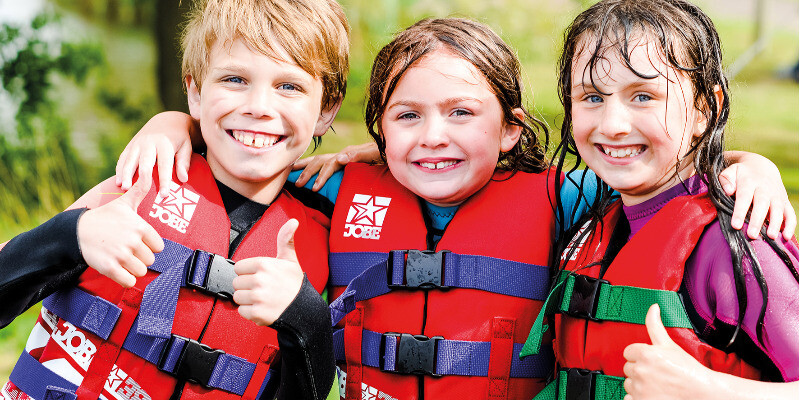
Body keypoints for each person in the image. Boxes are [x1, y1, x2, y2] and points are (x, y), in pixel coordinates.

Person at [114, 17, 794, 400]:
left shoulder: (570, 199)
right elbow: (248, 157)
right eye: (407, 115)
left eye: (462, 113)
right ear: (379, 130)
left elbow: (657, 178)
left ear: (509, 130)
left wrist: (750, 165)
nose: (433, 136)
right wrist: (176, 124)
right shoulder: (332, 189)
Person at [0, 0, 349, 398]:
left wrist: (305, 318)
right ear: (195, 93)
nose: (258, 108)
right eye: (234, 79)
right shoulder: (139, 184)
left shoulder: (324, 229)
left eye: (289, 86)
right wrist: (72, 235)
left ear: (326, 109)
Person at [519, 1, 799, 399]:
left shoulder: (736, 240)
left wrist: (708, 391)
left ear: (706, 109)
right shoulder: (590, 215)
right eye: (592, 98)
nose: (613, 125)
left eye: (644, 96)